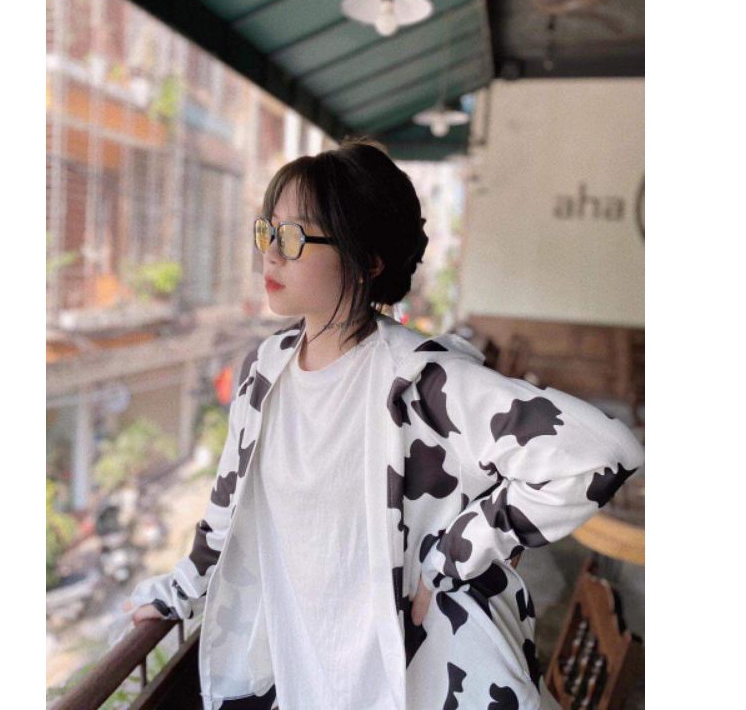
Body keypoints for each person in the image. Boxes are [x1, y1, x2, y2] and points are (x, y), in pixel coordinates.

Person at [124, 140, 644, 710]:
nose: (270, 254)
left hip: (409, 674)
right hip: (303, 667)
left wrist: (453, 554)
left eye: (293, 237)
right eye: (266, 231)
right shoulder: (264, 372)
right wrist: (179, 592)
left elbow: (601, 452)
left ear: (366, 260)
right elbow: (227, 505)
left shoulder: (421, 382)